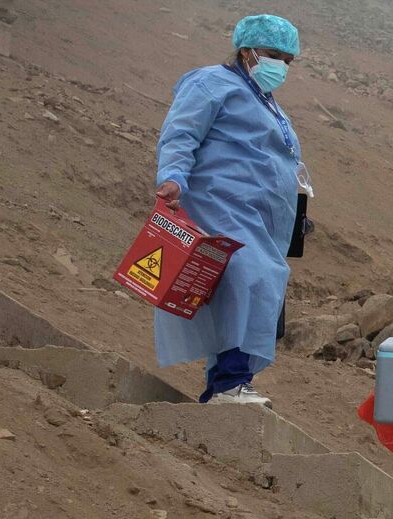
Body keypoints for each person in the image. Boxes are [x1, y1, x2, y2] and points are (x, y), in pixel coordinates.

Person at [152, 14, 308, 406]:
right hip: (220, 203)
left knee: (263, 284)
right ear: (247, 50)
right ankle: (229, 382)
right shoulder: (210, 83)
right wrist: (173, 175)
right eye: (274, 55)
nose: (281, 66)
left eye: (288, 61)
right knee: (244, 276)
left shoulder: (269, 104)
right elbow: (181, 132)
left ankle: (225, 384)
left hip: (261, 218)